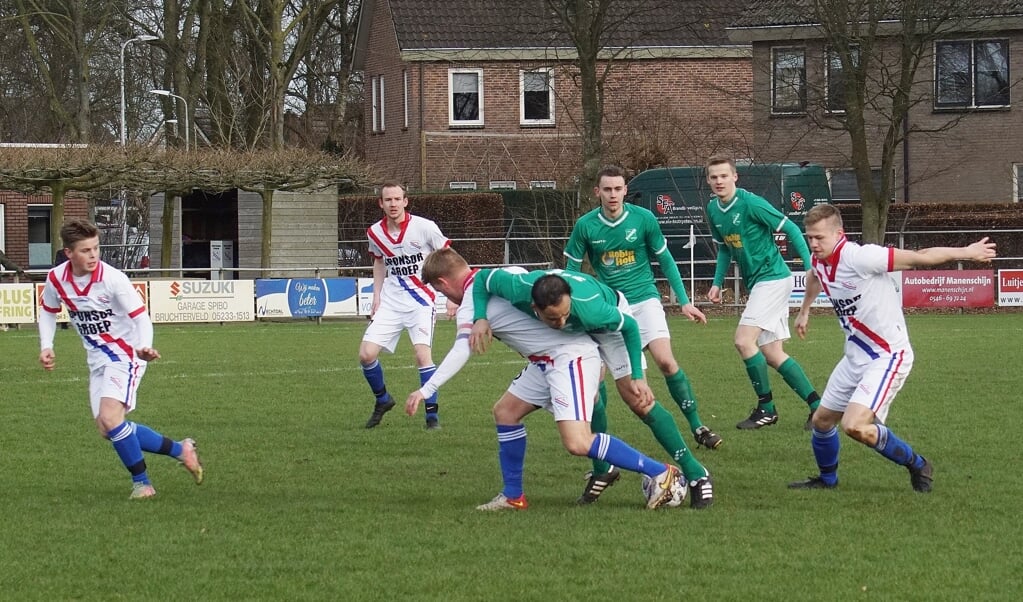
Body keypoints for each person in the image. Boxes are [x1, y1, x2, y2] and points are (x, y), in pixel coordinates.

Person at [407, 248, 684, 511]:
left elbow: (461, 349)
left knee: (577, 442)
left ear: (442, 283)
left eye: (438, 289)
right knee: (505, 412)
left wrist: (426, 390)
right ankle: (513, 496)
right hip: (546, 361)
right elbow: (490, 280)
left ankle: (661, 472)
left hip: (569, 358)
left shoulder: (470, 302)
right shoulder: (505, 274)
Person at [470, 267, 714, 509]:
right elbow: (482, 278)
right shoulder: (517, 288)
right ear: (534, 307)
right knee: (588, 389)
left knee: (637, 399)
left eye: (565, 314)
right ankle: (603, 470)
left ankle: (696, 472)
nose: (562, 321)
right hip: (576, 335)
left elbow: (629, 326)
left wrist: (638, 377)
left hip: (610, 324)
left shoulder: (589, 309)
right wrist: (479, 317)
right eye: (554, 318)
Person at [791, 204, 996, 492]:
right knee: (822, 421)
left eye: (819, 238)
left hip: (887, 355)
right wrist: (805, 310)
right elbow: (815, 276)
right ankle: (827, 481)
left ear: (839, 234)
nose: (813, 243)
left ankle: (918, 464)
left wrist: (967, 252)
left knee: (855, 426)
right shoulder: (821, 259)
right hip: (854, 356)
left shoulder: (861, 257)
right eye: (809, 237)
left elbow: (919, 257)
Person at [38, 219, 204, 500]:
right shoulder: (56, 279)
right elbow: (48, 311)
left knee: (111, 417)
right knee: (108, 428)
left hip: (126, 354)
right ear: (69, 253)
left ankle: (143, 484)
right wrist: (46, 345)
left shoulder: (113, 279)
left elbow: (141, 319)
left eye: (96, 248)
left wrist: (144, 347)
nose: (93, 255)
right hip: (97, 359)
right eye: (85, 250)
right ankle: (180, 449)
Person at [564, 165, 722, 456]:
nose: (613, 195)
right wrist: (571, 310)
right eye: (607, 189)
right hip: (610, 309)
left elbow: (666, 261)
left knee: (666, 362)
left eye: (618, 189)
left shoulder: (644, 219)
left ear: (626, 190)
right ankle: (599, 447)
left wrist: (684, 301)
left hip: (645, 299)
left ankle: (698, 426)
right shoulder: (585, 226)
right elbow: (570, 273)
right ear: (597, 192)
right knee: (595, 381)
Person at [705, 154, 821, 430]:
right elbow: (724, 247)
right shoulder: (713, 209)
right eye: (714, 177)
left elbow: (791, 228)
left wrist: (809, 266)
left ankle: (766, 408)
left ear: (735, 176)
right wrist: (717, 282)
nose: (719, 181)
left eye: (724, 175)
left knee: (744, 341)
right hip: (761, 283)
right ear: (708, 180)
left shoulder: (751, 203)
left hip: (773, 278)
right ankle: (819, 407)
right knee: (771, 353)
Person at [359, 182, 452, 430]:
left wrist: (454, 296)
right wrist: (376, 296)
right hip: (391, 301)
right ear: (381, 203)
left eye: (397, 199)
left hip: (421, 300)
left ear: (405, 201)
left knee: (422, 356)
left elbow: (448, 257)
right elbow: (379, 263)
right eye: (388, 200)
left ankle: (432, 417)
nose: (393, 204)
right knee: (366, 354)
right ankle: (383, 400)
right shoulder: (375, 233)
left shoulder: (424, 227)